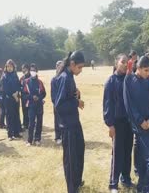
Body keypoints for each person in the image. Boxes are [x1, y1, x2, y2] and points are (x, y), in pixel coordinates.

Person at [123, 56, 149, 193]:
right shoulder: (129, 80)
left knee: (147, 158)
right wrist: (140, 121)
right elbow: (129, 105)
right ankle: (146, 189)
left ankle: (143, 187)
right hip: (139, 127)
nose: (148, 73)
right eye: (145, 70)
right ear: (138, 68)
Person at [55, 51, 85, 193]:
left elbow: (68, 96)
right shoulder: (65, 78)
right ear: (72, 64)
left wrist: (76, 94)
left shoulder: (70, 76)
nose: (81, 70)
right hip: (67, 125)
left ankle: (77, 181)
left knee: (79, 151)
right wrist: (77, 102)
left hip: (74, 122)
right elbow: (59, 105)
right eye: (79, 67)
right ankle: (72, 188)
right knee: (71, 158)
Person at [103, 54, 134, 193]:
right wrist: (110, 125)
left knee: (128, 151)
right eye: (122, 62)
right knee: (117, 152)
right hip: (117, 122)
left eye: (127, 62)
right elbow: (107, 105)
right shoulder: (111, 81)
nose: (124, 64)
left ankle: (126, 178)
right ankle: (113, 183)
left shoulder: (130, 79)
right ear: (116, 63)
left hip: (129, 122)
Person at [23, 64, 46, 146]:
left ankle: (37, 139)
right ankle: (29, 140)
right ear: (29, 71)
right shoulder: (26, 82)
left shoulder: (40, 82)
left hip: (39, 105)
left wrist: (39, 98)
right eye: (31, 70)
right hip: (31, 105)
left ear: (37, 71)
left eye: (34, 70)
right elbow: (24, 95)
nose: (33, 72)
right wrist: (32, 97)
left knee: (39, 123)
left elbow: (44, 93)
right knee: (31, 123)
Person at [1, 59, 22, 141]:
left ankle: (16, 133)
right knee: (9, 116)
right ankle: (10, 134)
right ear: (6, 67)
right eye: (8, 66)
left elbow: (18, 85)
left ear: (13, 67)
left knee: (16, 115)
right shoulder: (4, 76)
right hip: (8, 99)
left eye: (11, 66)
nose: (9, 68)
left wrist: (17, 93)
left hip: (16, 98)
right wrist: (13, 95)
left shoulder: (15, 75)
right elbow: (5, 89)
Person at [51, 61, 63, 145]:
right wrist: (56, 103)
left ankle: (63, 135)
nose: (60, 68)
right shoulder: (54, 79)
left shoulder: (64, 78)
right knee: (57, 121)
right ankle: (57, 136)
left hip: (64, 104)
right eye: (58, 66)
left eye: (61, 66)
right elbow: (53, 94)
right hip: (57, 104)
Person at [20, 64, 31, 130]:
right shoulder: (22, 78)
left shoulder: (32, 77)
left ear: (27, 69)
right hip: (23, 97)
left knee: (30, 110)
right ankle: (25, 123)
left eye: (23, 68)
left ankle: (30, 123)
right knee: (24, 110)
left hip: (30, 97)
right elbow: (19, 86)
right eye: (22, 69)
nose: (23, 70)